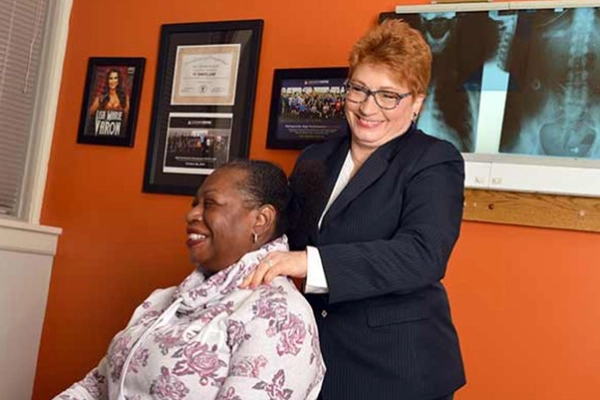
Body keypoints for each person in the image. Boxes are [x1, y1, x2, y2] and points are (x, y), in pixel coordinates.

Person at [242, 19, 466, 400]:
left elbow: (422, 255)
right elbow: (284, 236)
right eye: (359, 89)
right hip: (314, 363)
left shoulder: (434, 160)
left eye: (388, 96)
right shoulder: (316, 158)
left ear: (416, 104)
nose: (367, 107)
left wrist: (309, 264)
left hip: (399, 372)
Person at [54, 160, 325, 400]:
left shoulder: (281, 317)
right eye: (195, 204)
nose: (191, 214)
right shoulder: (163, 301)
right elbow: (97, 385)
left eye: (209, 204)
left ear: (261, 220)